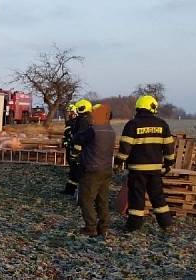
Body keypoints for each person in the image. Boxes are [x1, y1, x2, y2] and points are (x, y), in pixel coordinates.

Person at [115, 95, 175, 232]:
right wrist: (168, 163)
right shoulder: (162, 124)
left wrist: (118, 163)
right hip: (154, 170)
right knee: (158, 196)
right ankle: (166, 223)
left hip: (137, 169)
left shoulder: (132, 124)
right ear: (152, 108)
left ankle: (134, 225)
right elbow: (169, 147)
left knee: (137, 197)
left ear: (138, 108)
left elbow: (125, 147)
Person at [73, 104, 115, 236]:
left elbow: (77, 139)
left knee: (86, 199)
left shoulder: (93, 130)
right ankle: (103, 227)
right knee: (102, 200)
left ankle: (90, 227)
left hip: (91, 169)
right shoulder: (111, 131)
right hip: (106, 169)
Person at [63, 99, 93, 196]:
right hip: (78, 150)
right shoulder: (83, 120)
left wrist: (75, 153)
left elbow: (80, 139)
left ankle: (75, 191)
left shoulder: (83, 121)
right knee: (74, 171)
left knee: (77, 171)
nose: (69, 114)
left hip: (80, 151)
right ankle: (70, 190)